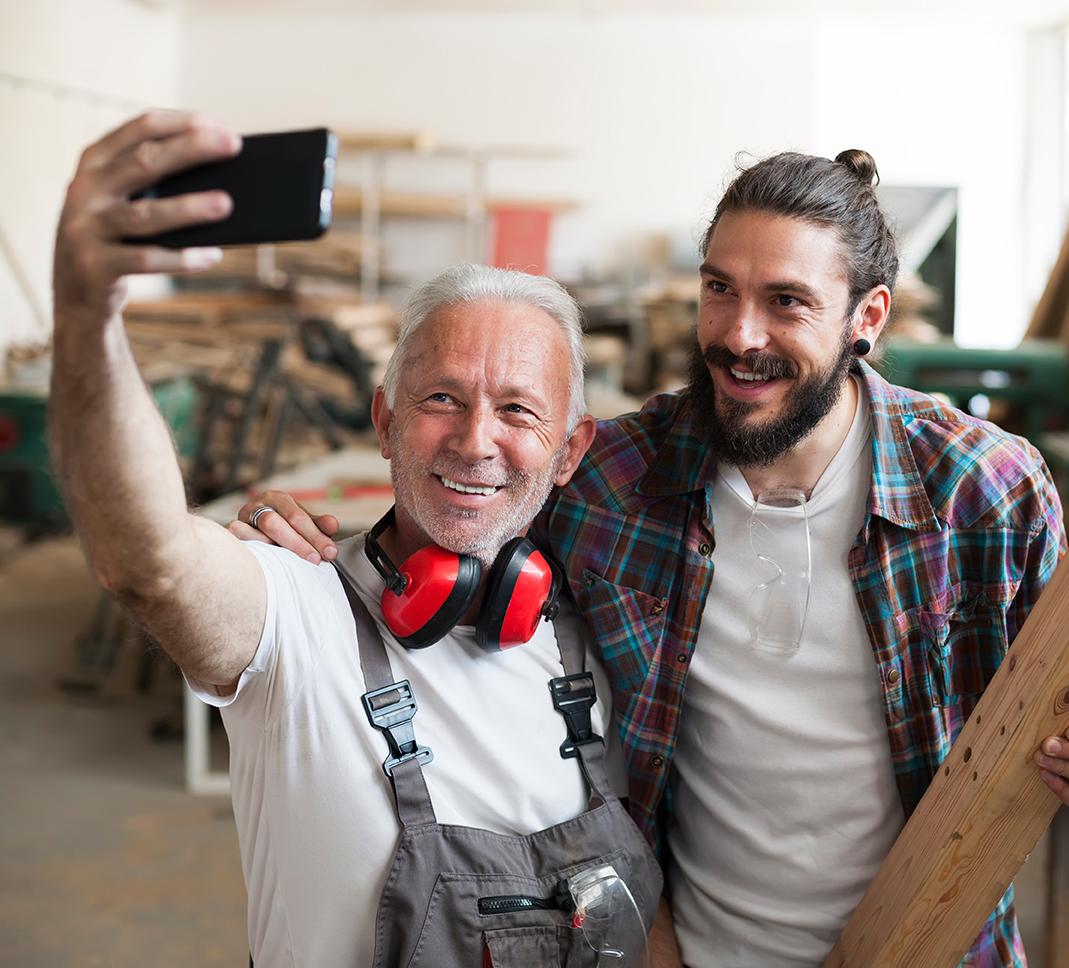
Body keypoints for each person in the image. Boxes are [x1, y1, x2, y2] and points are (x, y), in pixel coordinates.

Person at [248, 149, 1069, 967]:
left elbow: (1059, 707)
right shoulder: (615, 481)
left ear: (868, 317)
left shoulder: (985, 493)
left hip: (934, 945)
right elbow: (462, 509)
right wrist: (299, 551)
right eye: (720, 290)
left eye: (786, 301)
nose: (739, 335)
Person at [50, 111, 661, 968]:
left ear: (569, 454)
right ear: (384, 421)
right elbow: (146, 558)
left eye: (518, 409)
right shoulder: (296, 612)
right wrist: (89, 316)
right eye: (441, 398)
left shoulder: (607, 637)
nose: (476, 441)